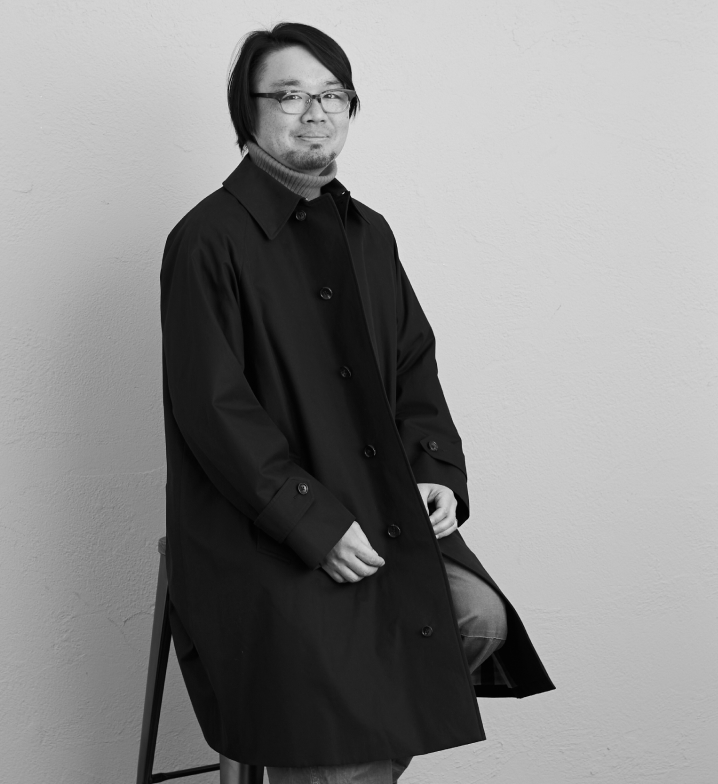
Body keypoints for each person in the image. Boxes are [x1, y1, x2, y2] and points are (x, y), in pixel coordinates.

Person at [159, 22, 555, 784]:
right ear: (248, 111)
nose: (315, 112)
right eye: (289, 95)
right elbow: (214, 411)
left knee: (478, 617)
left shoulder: (369, 234)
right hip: (261, 530)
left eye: (332, 94)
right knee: (330, 685)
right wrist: (312, 522)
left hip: (379, 507)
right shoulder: (208, 239)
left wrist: (435, 471)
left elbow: (413, 364)